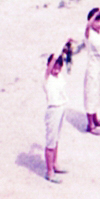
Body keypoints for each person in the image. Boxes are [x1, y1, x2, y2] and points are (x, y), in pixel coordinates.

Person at [43, 43, 73, 181]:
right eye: (54, 67)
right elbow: (54, 60)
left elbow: (64, 57)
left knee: (56, 139)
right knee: (50, 141)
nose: (56, 70)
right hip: (53, 110)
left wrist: (66, 48)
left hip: (61, 108)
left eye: (58, 67)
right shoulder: (46, 77)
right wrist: (61, 44)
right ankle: (49, 172)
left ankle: (55, 164)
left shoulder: (60, 77)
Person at [83, 7, 100, 133]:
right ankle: (90, 124)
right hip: (93, 67)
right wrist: (97, 13)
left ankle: (96, 118)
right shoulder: (89, 34)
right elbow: (87, 25)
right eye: (96, 21)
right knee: (91, 93)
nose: (99, 23)